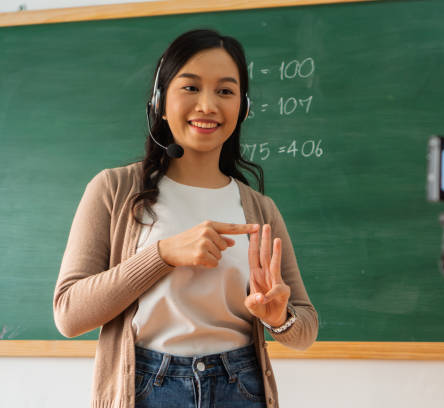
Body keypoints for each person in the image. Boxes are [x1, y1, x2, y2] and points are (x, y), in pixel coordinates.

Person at [53, 29, 318, 408]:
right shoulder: (113, 189)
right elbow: (68, 314)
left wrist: (279, 318)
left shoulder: (260, 208)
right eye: (191, 88)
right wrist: (161, 255)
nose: (208, 105)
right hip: (144, 387)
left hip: (239, 387)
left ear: (242, 108)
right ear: (161, 101)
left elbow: (305, 330)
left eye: (225, 91)